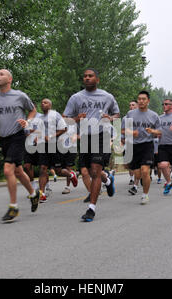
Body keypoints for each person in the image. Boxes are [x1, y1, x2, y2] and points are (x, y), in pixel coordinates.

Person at [0, 69, 41, 222]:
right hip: (4, 138)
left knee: (8, 170)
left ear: (10, 79)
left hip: (18, 136)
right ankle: (34, 194)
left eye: (1, 74)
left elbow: (33, 110)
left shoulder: (19, 96)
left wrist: (28, 122)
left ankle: (13, 207)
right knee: (19, 171)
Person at [63, 68, 120, 222]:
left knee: (95, 170)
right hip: (86, 137)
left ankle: (91, 209)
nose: (87, 78)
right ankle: (108, 181)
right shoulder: (76, 98)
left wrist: (111, 117)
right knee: (88, 170)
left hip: (102, 135)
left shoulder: (107, 96)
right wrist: (75, 119)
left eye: (91, 76)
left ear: (97, 79)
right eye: (85, 76)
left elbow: (117, 113)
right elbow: (65, 118)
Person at [122, 91, 161, 204]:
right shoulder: (130, 114)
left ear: (148, 101)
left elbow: (160, 131)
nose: (141, 101)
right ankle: (140, 180)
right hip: (134, 145)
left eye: (143, 99)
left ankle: (145, 195)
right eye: (139, 99)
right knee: (137, 174)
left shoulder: (154, 115)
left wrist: (152, 131)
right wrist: (131, 132)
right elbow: (123, 130)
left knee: (144, 171)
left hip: (147, 145)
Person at [36, 98, 78, 203]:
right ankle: (42, 194)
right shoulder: (40, 117)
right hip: (44, 146)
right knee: (43, 168)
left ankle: (71, 174)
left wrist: (51, 136)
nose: (42, 104)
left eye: (45, 102)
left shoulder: (55, 115)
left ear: (50, 105)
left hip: (55, 146)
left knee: (59, 171)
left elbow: (64, 129)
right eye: (41, 103)